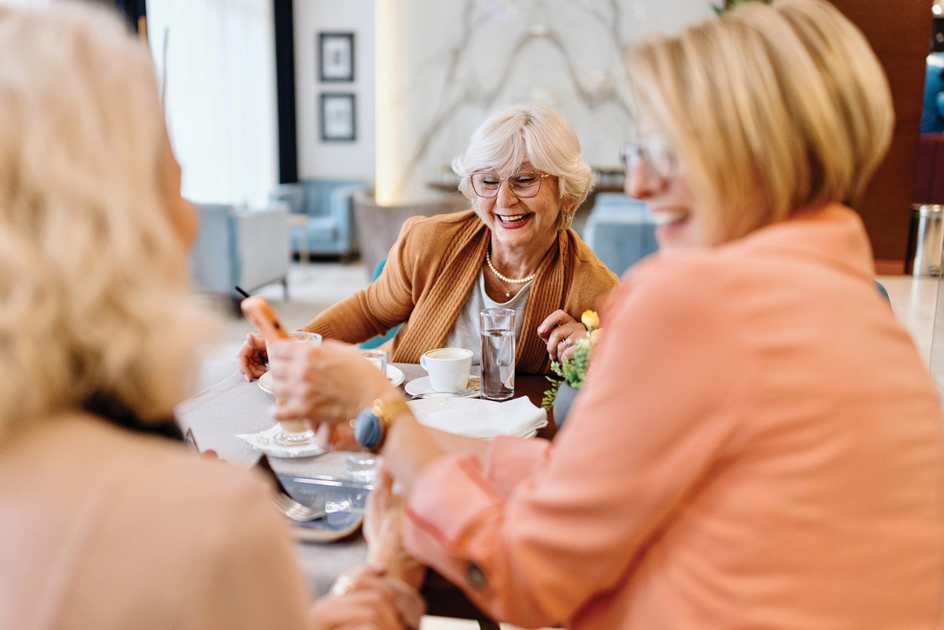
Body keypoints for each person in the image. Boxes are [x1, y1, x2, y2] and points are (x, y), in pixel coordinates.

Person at [267, 0, 944, 628]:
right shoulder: (854, 303)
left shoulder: (688, 300)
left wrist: (383, 419)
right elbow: (600, 482)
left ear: (751, 154)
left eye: (663, 153)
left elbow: (526, 578)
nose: (642, 186)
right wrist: (408, 434)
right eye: (637, 155)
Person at [0, 5, 418, 629]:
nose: (192, 221)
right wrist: (383, 579)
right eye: (174, 183)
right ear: (110, 221)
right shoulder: (206, 527)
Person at [238, 103, 619, 381]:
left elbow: (634, 381)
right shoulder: (429, 241)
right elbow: (370, 311)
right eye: (488, 180)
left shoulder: (593, 288)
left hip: (505, 441)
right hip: (408, 419)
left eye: (525, 180)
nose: (504, 200)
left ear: (566, 194)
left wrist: (591, 350)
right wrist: (289, 346)